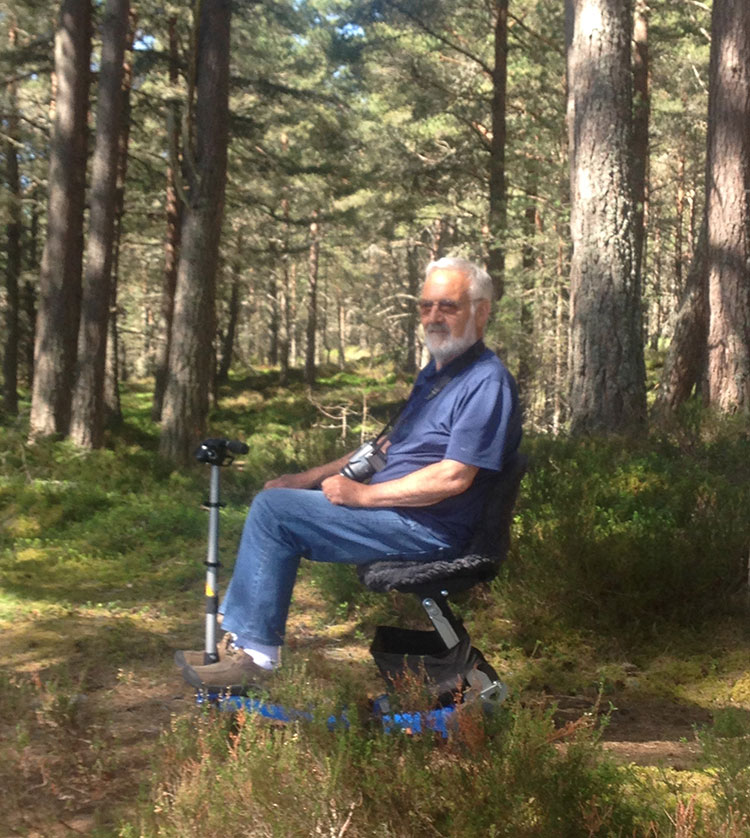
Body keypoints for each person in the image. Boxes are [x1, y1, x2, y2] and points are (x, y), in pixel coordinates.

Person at [177, 256, 522, 692]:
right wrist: (302, 478)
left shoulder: (486, 382)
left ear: (481, 310)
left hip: (430, 528)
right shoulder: (438, 376)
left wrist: (361, 497)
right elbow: (381, 449)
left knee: (273, 514)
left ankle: (256, 657)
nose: (434, 317)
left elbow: (452, 478)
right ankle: (243, 642)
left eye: (448, 306)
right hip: (401, 514)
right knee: (278, 502)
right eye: (426, 306)